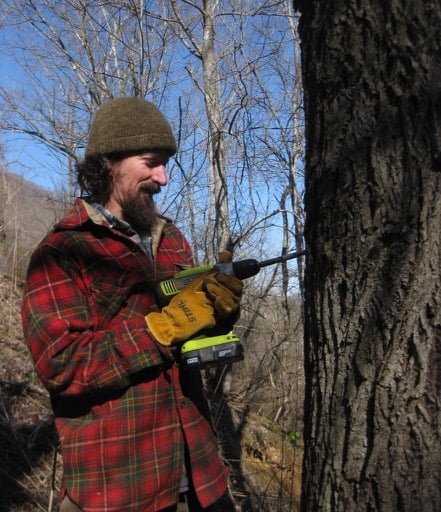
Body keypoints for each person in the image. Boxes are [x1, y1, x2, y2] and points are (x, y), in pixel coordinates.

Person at [21, 97, 243, 512]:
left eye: (165, 164)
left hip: (202, 476)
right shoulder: (62, 252)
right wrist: (159, 329)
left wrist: (219, 310)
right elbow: (62, 365)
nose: (163, 178)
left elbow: (192, 328)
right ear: (108, 163)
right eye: (150, 162)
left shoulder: (171, 238)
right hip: (119, 489)